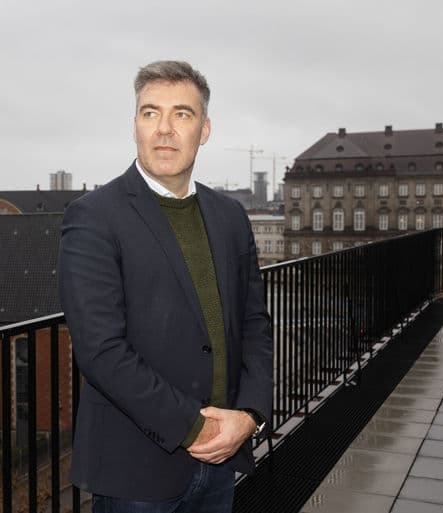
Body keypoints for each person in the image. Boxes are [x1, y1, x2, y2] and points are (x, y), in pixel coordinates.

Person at [58, 60, 273, 513]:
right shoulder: (94, 216)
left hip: (222, 461)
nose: (164, 129)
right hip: (137, 472)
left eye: (182, 114)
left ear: (204, 130)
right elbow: (100, 351)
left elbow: (254, 323)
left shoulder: (230, 216)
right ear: (135, 125)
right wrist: (196, 428)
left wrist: (251, 415)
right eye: (150, 112)